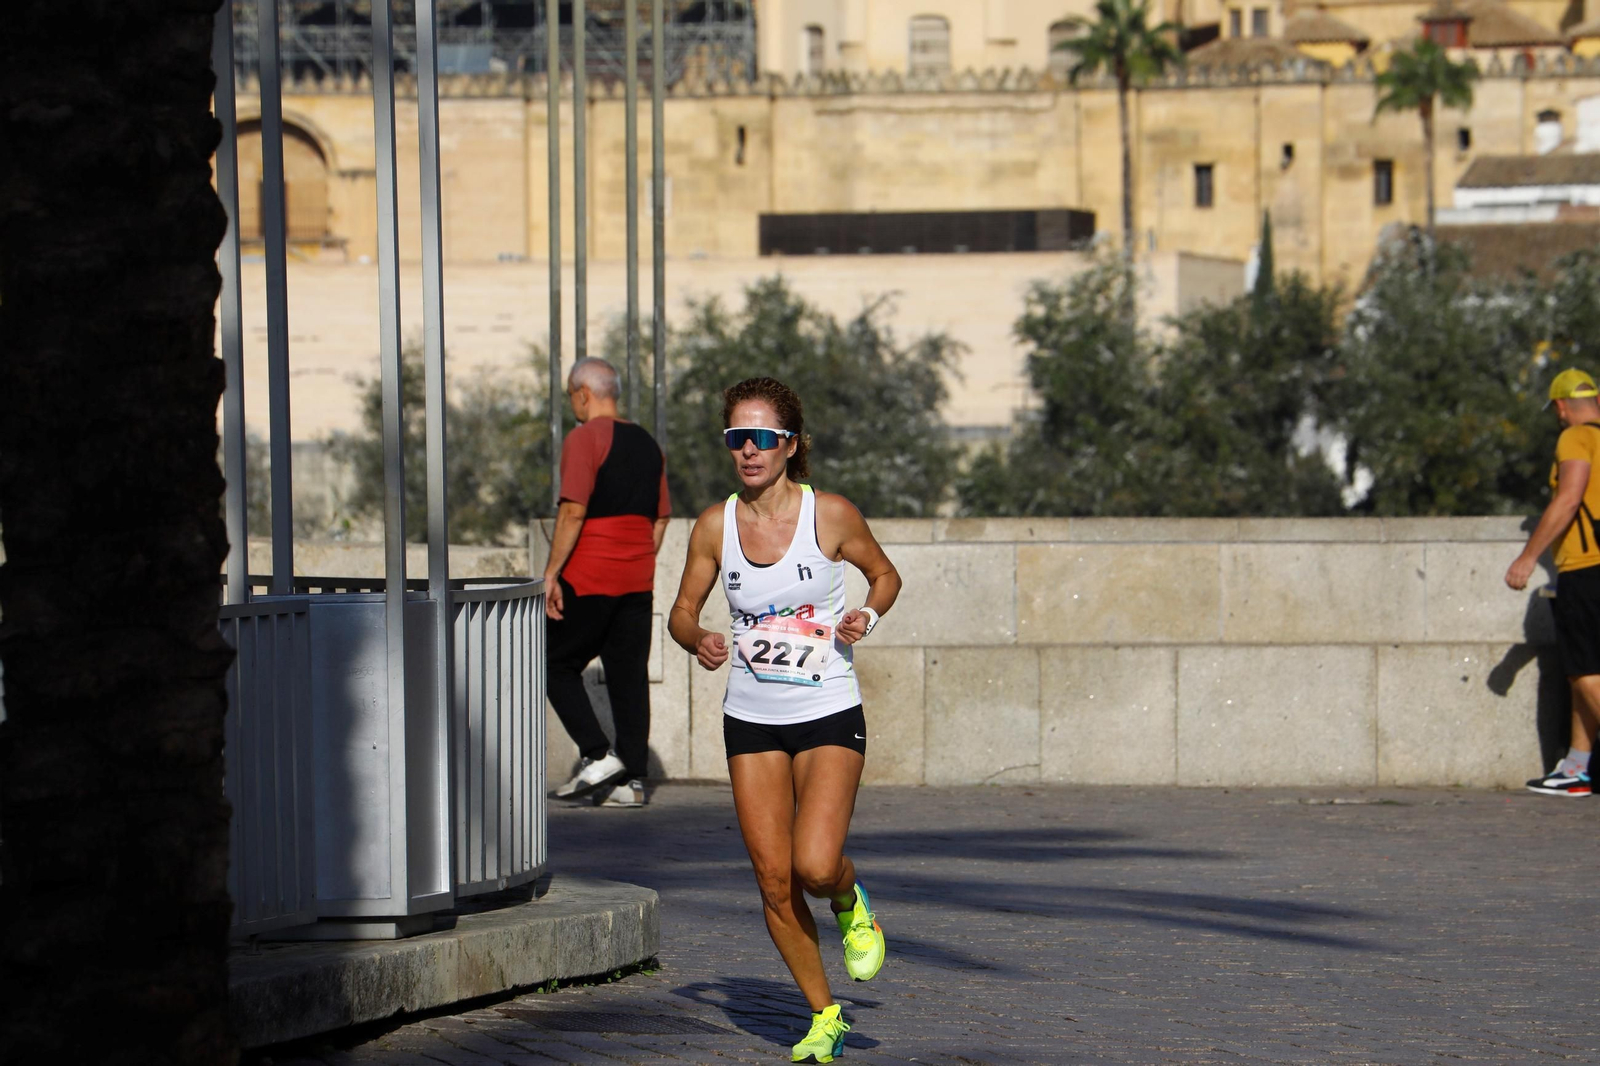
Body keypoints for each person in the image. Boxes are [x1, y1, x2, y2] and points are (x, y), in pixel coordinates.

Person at [668, 377, 901, 1064]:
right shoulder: (714, 527)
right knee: (773, 881)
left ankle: (850, 897)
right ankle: (824, 1014)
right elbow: (680, 610)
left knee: (814, 863)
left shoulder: (828, 515)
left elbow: (885, 575)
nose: (748, 450)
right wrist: (696, 637)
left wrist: (868, 614)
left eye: (762, 437)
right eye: (736, 437)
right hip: (751, 718)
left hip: (827, 707)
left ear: (790, 444)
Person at [544, 357, 670, 807]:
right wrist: (635, 558)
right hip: (637, 577)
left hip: (590, 573)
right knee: (628, 677)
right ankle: (631, 783)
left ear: (583, 393)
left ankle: (597, 754)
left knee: (552, 663)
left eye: (572, 397)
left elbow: (573, 510)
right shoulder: (649, 444)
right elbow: (661, 518)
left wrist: (552, 572)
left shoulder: (584, 438)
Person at [1506, 367, 1600, 797]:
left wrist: (1528, 557)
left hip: (1587, 565)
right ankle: (1577, 768)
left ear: (1561, 407)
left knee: (1583, 671)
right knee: (1583, 671)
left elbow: (1570, 496)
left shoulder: (1575, 437)